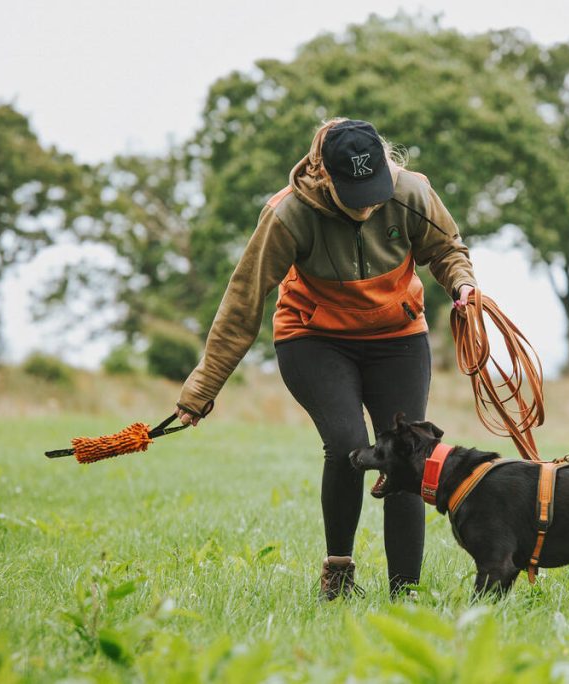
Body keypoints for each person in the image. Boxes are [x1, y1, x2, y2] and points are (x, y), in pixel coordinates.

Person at [174, 118, 476, 600]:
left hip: (397, 336)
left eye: (375, 190)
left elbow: (447, 251)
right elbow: (242, 302)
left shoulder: (411, 193)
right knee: (347, 444)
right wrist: (201, 390)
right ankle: (338, 574)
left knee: (407, 453)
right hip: (314, 338)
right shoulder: (288, 214)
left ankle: (407, 593)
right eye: (355, 193)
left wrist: (462, 284)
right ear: (324, 175)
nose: (369, 204)